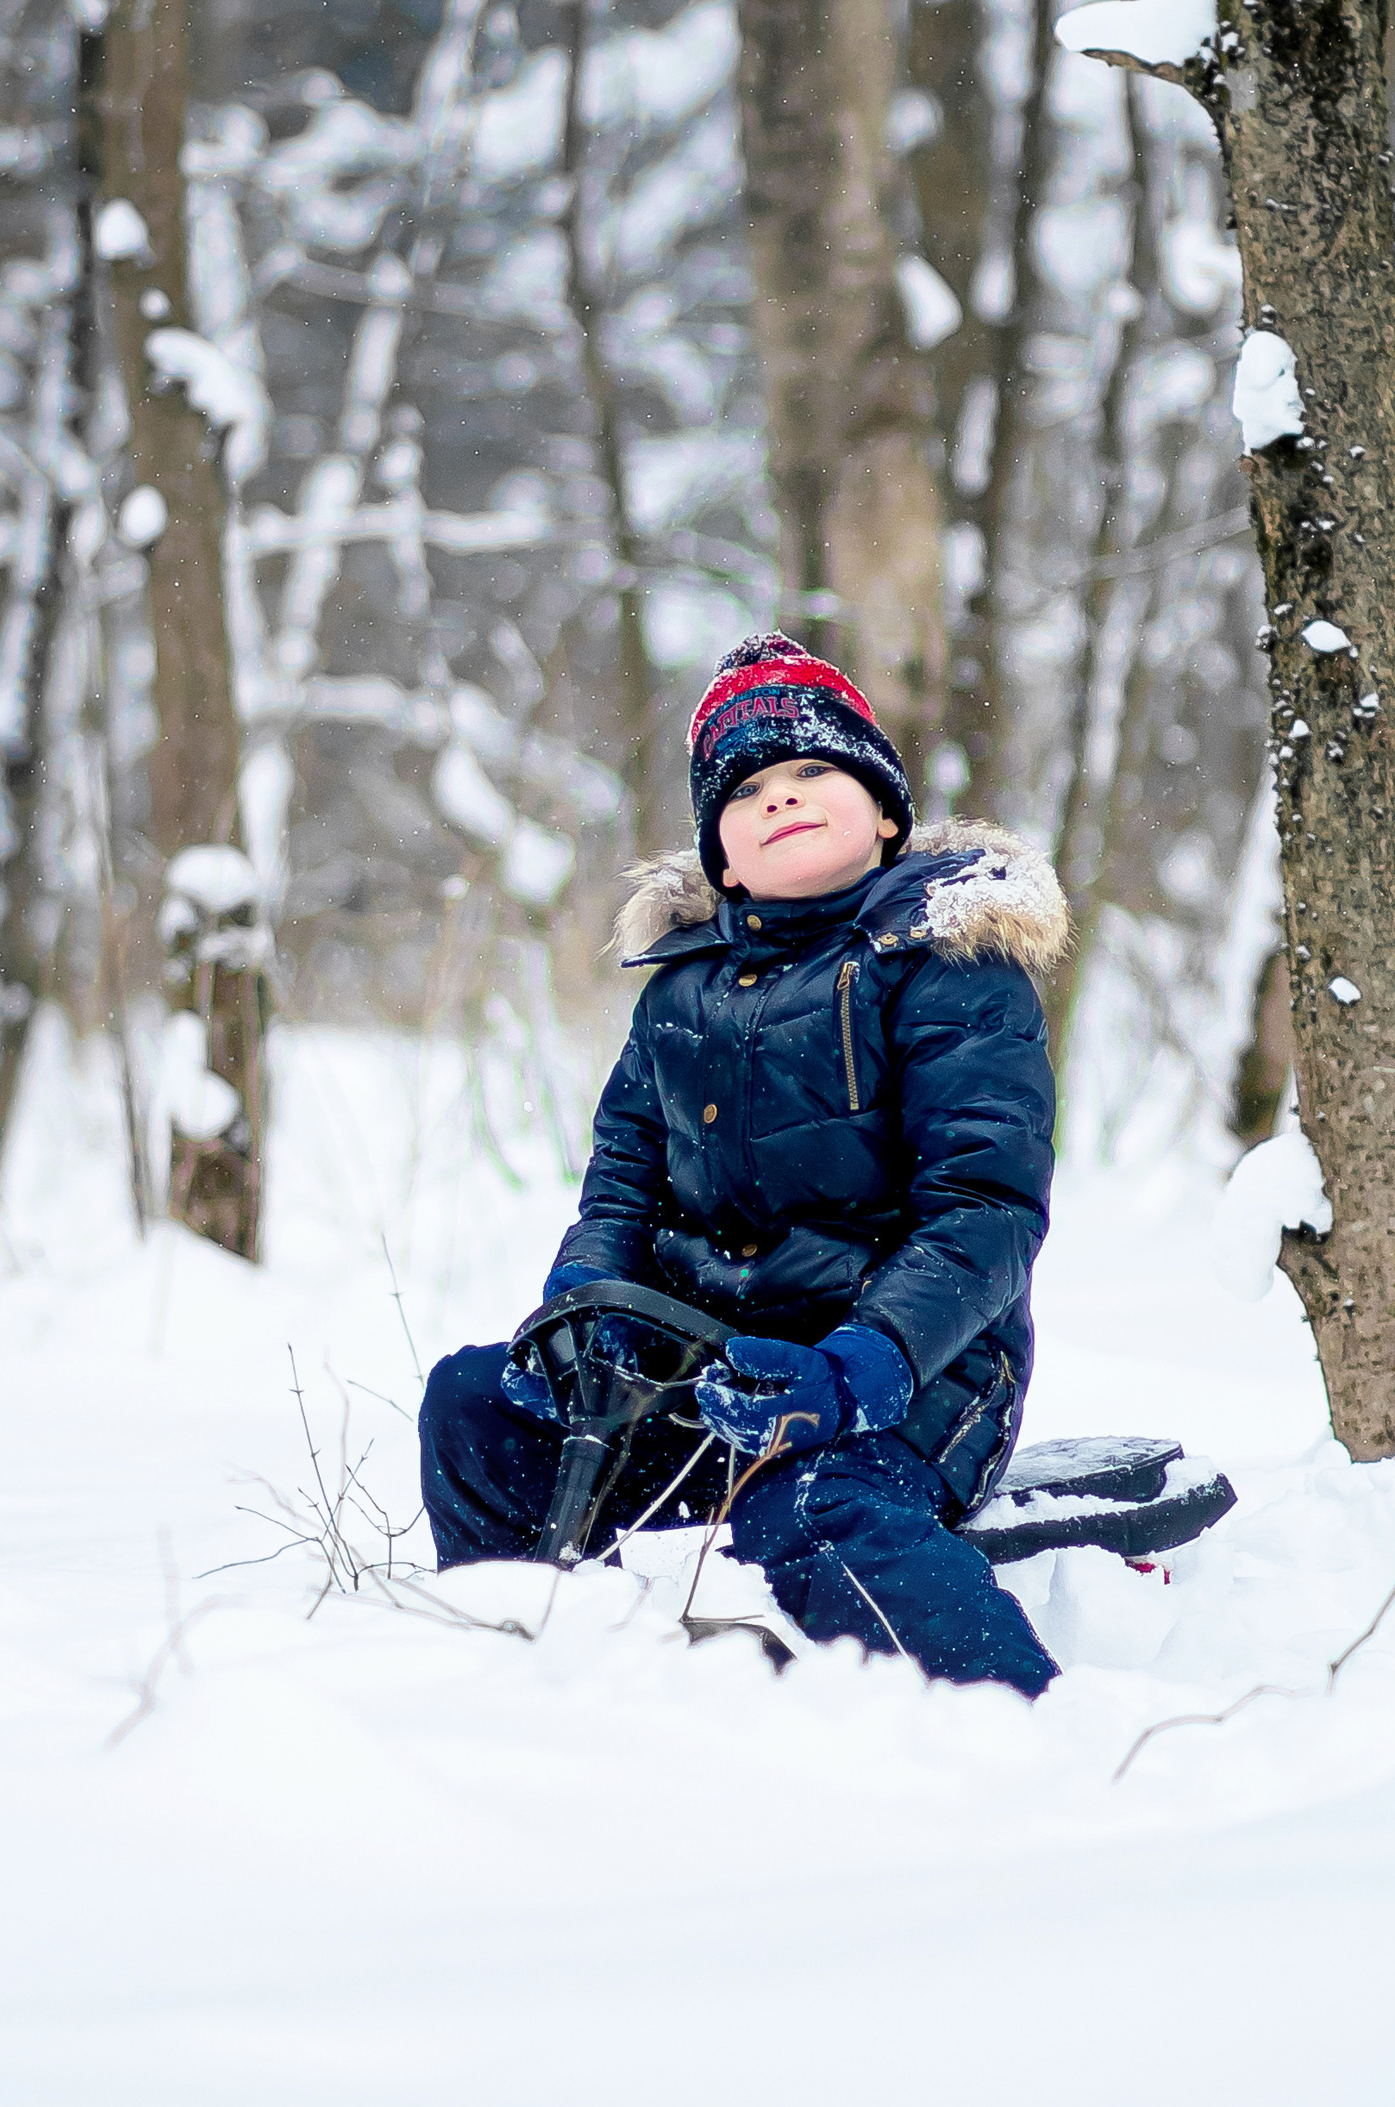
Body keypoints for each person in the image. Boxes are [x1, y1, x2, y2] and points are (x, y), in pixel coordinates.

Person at [418, 631, 1067, 1697]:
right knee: (475, 1406)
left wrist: (858, 1366)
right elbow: (621, 1180)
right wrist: (585, 1308)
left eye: (816, 769)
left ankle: (1014, 1712)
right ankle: (524, 1676)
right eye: (748, 787)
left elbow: (984, 1208)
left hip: (910, 1378)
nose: (782, 796)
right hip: (696, 1370)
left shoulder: (952, 967)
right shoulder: (678, 994)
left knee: (807, 1502)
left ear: (885, 810)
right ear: (720, 853)